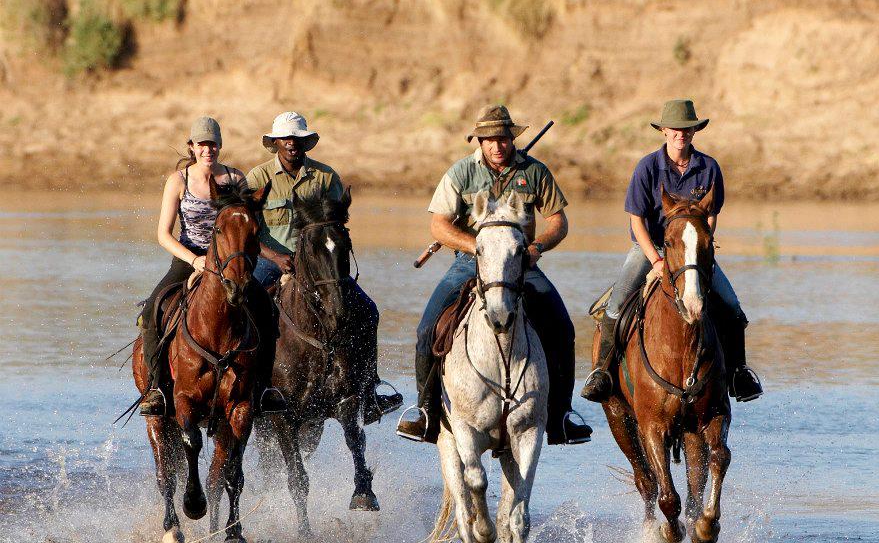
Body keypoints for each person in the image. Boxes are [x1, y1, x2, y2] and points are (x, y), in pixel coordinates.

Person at [396, 104, 592, 445]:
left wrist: (536, 249)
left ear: (511, 139)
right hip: (469, 262)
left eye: (502, 138)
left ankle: (561, 414)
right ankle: (424, 411)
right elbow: (438, 225)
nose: (496, 146)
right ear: (479, 141)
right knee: (428, 327)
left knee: (562, 327)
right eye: (489, 140)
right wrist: (477, 248)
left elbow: (558, 222)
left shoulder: (534, 172)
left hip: (521, 264)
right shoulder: (460, 173)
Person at [580, 99, 763, 403]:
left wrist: (701, 246)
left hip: (692, 252)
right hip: (649, 247)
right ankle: (602, 372)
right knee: (615, 306)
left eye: (687, 129)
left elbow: (711, 214)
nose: (681, 134)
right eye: (676, 129)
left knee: (731, 307)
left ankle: (737, 373)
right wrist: (655, 259)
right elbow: (636, 219)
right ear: (664, 130)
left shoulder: (709, 167)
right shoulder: (647, 167)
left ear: (694, 131)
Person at [246, 111, 402, 421]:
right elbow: (247, 230)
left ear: (306, 143)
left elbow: (338, 225)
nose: (292, 143)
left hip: (319, 266)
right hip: (271, 261)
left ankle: (369, 390)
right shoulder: (257, 179)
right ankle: (250, 387)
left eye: (298, 138)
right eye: (286, 138)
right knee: (247, 309)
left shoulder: (326, 178)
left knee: (367, 310)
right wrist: (275, 257)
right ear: (275, 142)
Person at [139, 116, 285, 416]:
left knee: (268, 309)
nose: (209, 149)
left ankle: (266, 387)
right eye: (202, 144)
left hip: (231, 262)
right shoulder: (178, 181)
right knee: (152, 309)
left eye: (213, 144)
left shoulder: (234, 179)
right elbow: (163, 234)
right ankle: (156, 389)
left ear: (220, 146)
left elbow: (250, 229)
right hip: (188, 258)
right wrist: (195, 260)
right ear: (192, 146)